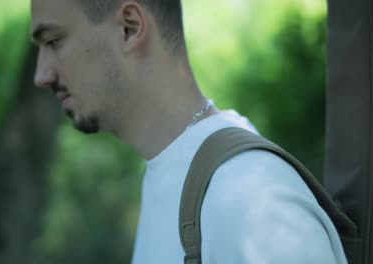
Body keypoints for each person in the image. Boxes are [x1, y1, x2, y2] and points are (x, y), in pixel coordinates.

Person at [30, 0, 347, 263]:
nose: (41, 75)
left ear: (130, 27)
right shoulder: (170, 171)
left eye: (54, 41)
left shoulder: (253, 200)